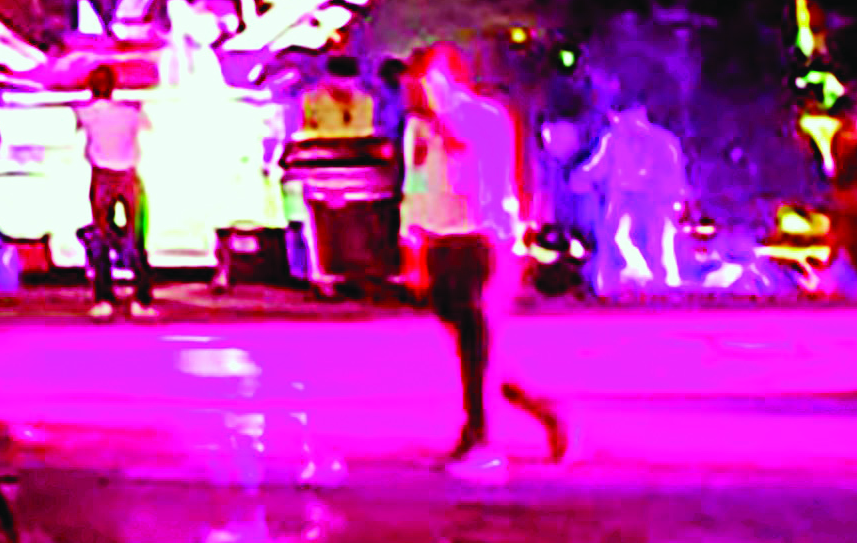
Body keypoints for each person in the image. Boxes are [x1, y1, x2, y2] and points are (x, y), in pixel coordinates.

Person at [403, 44, 570, 476]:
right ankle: (539, 409)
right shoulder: (418, 128)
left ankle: (480, 440)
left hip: (481, 241)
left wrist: (509, 242)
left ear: (451, 79)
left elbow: (492, 179)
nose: (422, 90)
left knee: (476, 343)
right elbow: (416, 185)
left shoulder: (484, 118)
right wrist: (412, 243)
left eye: (430, 80)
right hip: (439, 241)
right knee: (470, 345)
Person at [285, 57, 400, 296]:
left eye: (349, 81)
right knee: (322, 224)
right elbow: (304, 136)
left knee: (360, 223)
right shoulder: (311, 100)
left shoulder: (365, 101)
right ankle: (324, 275)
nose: (345, 86)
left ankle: (361, 271)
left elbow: (367, 132)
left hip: (359, 169)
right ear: (329, 79)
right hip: (322, 171)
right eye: (340, 80)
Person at [582, 102, 692, 296]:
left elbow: (674, 172)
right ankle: (613, 284)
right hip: (623, 197)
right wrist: (583, 176)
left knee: (659, 241)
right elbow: (598, 165)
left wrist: (677, 197)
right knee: (613, 235)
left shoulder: (664, 141)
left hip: (655, 199)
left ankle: (664, 285)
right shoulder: (613, 139)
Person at [77, 67, 153, 318]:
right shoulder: (131, 112)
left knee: (101, 237)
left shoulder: (85, 112)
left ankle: (104, 299)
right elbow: (147, 127)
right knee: (135, 237)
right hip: (128, 175)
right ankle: (141, 299)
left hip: (103, 177)